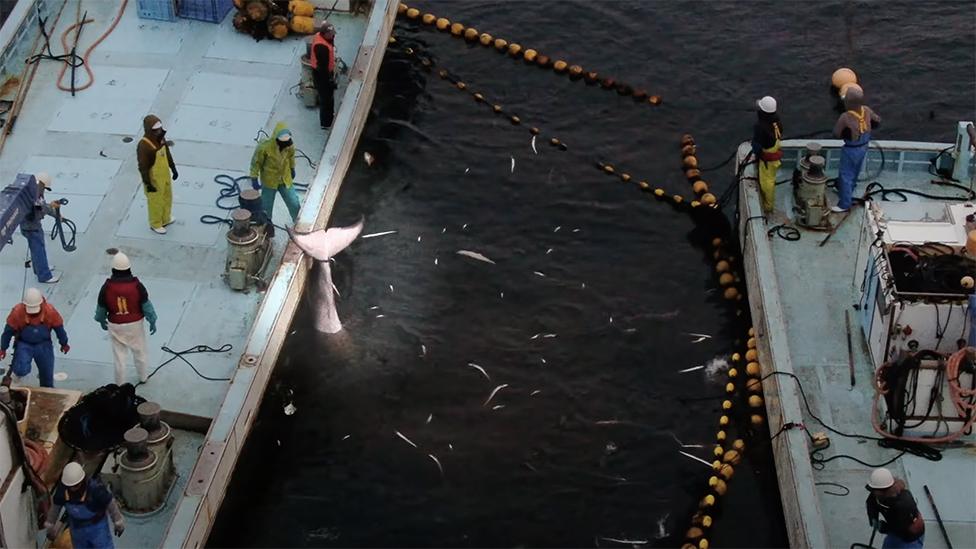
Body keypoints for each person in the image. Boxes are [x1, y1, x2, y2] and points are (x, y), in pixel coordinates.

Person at [94, 252, 158, 385]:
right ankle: (143, 377)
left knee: (119, 357)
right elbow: (147, 306)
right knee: (140, 351)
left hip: (116, 325)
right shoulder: (137, 286)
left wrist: (100, 320)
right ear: (129, 268)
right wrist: (152, 320)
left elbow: (101, 309)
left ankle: (119, 383)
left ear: (113, 269)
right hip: (135, 325)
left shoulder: (106, 288)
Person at [0, 288, 69, 387]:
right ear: (24, 305)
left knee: (47, 374)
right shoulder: (17, 312)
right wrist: (3, 348)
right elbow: (8, 332)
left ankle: (47, 393)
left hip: (44, 345)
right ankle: (15, 379)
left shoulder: (50, 311)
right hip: (24, 344)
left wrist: (64, 343)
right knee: (20, 368)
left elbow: (59, 329)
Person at [45, 462, 125, 548]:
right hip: (77, 529)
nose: (73, 489)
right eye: (70, 486)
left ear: (82, 481)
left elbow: (110, 503)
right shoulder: (62, 492)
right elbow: (55, 509)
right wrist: (50, 525)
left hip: (97, 527)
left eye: (76, 485)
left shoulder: (96, 489)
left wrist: (118, 522)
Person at [832, 84, 880, 212]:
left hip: (850, 149)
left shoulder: (845, 117)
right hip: (864, 147)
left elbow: (836, 133)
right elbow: (877, 121)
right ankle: (849, 190)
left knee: (845, 175)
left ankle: (844, 204)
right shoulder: (867, 110)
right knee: (855, 172)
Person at [249, 121, 301, 222]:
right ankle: (267, 226)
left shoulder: (289, 145)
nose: (285, 144)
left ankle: (298, 223)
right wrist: (254, 178)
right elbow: (255, 163)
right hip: (269, 181)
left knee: (294, 203)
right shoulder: (264, 148)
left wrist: (292, 168)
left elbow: (291, 157)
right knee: (266, 207)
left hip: (285, 179)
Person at [137, 114, 178, 234]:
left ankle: (166, 218)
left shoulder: (160, 139)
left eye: (160, 129)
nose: (159, 131)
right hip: (153, 179)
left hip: (164, 175)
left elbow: (167, 153)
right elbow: (143, 167)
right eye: (156, 130)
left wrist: (173, 168)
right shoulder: (144, 146)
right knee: (155, 202)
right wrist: (148, 183)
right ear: (149, 130)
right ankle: (155, 223)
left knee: (167, 197)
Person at [865, 468, 925, 548]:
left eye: (874, 490)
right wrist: (873, 517)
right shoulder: (878, 494)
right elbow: (871, 503)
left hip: (911, 537)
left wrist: (884, 528)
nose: (872, 492)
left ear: (883, 490)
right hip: (895, 532)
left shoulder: (903, 504)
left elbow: (902, 527)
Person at [21, 172, 62, 283]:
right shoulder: (35, 195)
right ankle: (44, 275)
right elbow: (40, 210)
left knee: (36, 249)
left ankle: (38, 269)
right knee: (39, 250)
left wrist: (56, 214)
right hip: (32, 228)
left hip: (29, 226)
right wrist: (51, 207)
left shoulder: (32, 191)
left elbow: (42, 206)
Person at [752, 96, 783, 215]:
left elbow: (757, 145)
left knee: (767, 182)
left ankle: (768, 206)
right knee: (771, 177)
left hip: (767, 159)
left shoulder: (760, 127)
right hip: (775, 149)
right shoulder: (777, 122)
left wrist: (758, 152)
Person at [309, 22, 337, 129]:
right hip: (321, 76)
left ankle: (330, 116)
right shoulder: (321, 48)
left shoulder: (321, 37)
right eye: (330, 34)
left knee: (328, 98)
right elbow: (323, 69)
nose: (332, 36)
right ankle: (326, 124)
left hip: (324, 72)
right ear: (324, 34)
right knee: (326, 100)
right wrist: (329, 82)